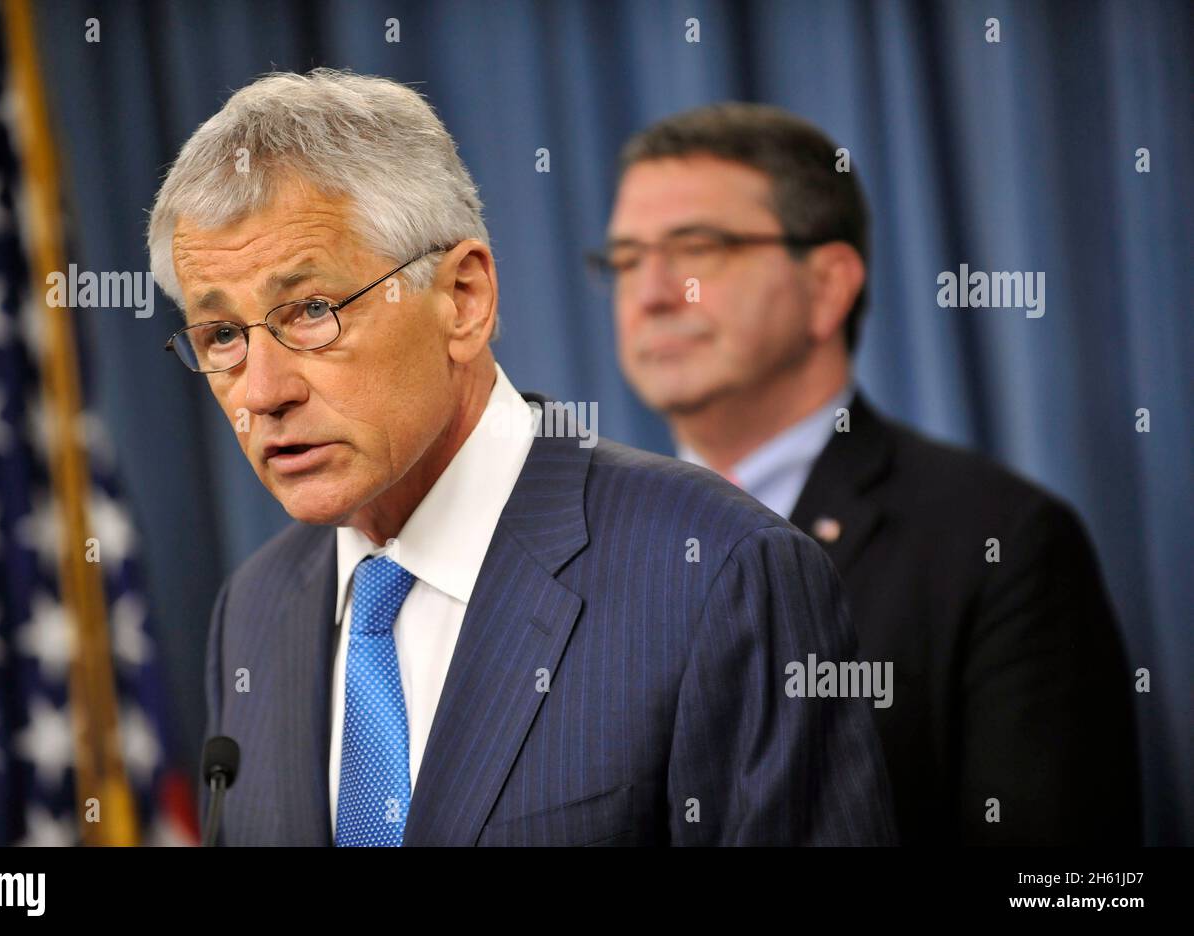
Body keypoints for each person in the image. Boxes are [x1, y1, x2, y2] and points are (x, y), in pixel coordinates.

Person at [147, 71, 896, 846]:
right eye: (222, 336)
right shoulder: (254, 609)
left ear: (463, 299)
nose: (262, 392)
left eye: (312, 311)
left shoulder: (716, 571)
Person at [600, 102, 1141, 845]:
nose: (652, 294)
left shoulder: (1000, 542)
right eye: (626, 260)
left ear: (828, 285)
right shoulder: (588, 544)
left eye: (698, 248)